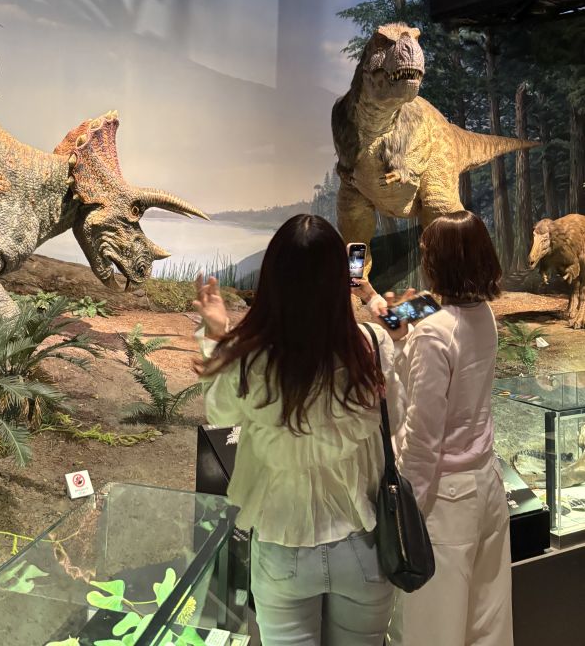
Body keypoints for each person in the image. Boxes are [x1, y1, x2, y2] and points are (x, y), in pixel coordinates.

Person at [193, 213, 401, 646]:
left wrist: (217, 334)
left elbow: (221, 414)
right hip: (363, 545)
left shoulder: (246, 357)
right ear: (338, 281)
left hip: (281, 545)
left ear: (273, 279)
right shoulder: (371, 346)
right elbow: (394, 420)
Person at [364, 211, 513, 646]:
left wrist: (404, 510)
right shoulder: (481, 313)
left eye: (427, 252)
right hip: (486, 486)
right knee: (487, 625)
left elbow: (423, 438)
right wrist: (372, 298)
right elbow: (405, 318)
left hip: (444, 502)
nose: (423, 257)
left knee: (432, 631)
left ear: (440, 261)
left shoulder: (433, 333)